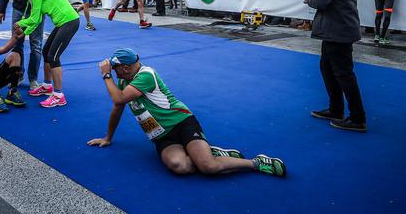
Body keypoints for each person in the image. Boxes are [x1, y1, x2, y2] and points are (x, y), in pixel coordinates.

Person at [87, 48, 286, 178]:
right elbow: (117, 108)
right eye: (111, 70)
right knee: (180, 167)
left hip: (181, 122)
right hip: (161, 135)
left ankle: (256, 163)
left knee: (208, 167)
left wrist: (105, 75)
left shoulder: (146, 75)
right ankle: (209, 152)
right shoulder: (123, 81)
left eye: (114, 69)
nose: (113, 72)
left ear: (125, 67)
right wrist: (108, 137)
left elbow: (118, 99)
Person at [304, 0, 366, 133]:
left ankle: (357, 118)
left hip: (336, 28)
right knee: (328, 68)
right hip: (340, 26)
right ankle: (336, 109)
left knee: (343, 73)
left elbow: (321, 1)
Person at [10, 0, 79, 108]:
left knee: (53, 57)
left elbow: (34, 19)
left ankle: (59, 95)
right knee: (46, 51)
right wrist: (25, 33)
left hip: (69, 22)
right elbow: (38, 19)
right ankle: (47, 86)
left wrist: (20, 24)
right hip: (63, 23)